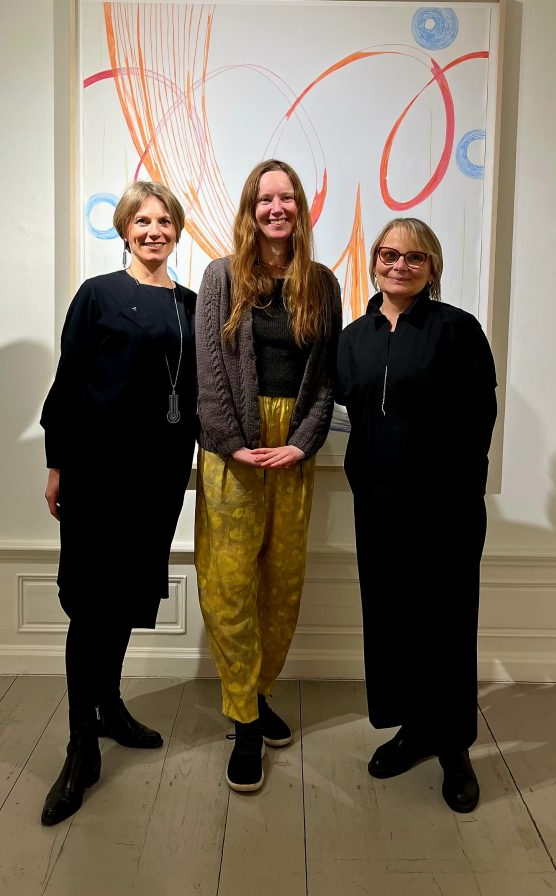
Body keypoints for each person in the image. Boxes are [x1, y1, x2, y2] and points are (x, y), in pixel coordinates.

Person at [39, 181, 197, 825]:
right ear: (124, 229)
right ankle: (81, 747)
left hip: (158, 478)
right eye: (142, 221)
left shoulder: (191, 305)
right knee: (91, 604)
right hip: (97, 472)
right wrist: (56, 464)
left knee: (127, 596)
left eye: (164, 221)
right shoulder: (98, 294)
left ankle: (109, 707)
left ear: (177, 230)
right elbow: (68, 380)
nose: (153, 230)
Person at [336, 216, 497, 813]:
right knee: (392, 621)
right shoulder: (353, 338)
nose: (399, 265)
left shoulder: (457, 330)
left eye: (414, 257)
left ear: (432, 267)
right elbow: (346, 408)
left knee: (446, 626)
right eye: (388, 254)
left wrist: (455, 490)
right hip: (378, 508)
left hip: (445, 509)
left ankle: (453, 746)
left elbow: (480, 419)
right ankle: (414, 728)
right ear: (374, 261)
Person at [195, 159, 342, 792]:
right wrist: (231, 442)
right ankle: (245, 722)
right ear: (250, 210)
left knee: (282, 581)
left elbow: (327, 376)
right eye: (264, 198)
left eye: (286, 198)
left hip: (291, 451)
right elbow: (208, 367)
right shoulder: (220, 276)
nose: (275, 208)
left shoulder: (323, 283)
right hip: (234, 447)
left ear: (301, 207)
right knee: (228, 582)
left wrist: (303, 443)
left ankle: (257, 692)